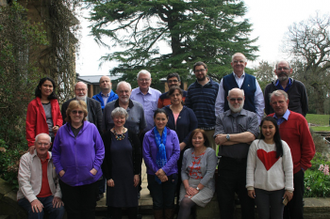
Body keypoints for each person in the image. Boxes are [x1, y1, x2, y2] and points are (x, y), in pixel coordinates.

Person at [52, 100, 105, 219]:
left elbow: (100, 150)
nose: (77, 114)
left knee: (89, 211)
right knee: (73, 212)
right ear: (69, 113)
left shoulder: (92, 128)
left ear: (84, 114)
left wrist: (95, 169)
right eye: (74, 111)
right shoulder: (61, 131)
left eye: (80, 112)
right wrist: (60, 170)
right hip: (68, 179)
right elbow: (55, 152)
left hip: (89, 178)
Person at [268, 90, 315, 219]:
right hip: (275, 173)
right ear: (271, 104)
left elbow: (308, 147)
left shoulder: (299, 119)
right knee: (279, 209)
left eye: (281, 102)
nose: (278, 105)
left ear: (287, 102)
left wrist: (301, 168)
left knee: (295, 208)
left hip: (295, 171)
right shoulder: (269, 121)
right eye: (274, 102)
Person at [213, 88, 259, 219]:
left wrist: (227, 137)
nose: (236, 101)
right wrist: (242, 139)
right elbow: (218, 140)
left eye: (239, 99)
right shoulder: (221, 117)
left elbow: (251, 136)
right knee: (225, 203)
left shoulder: (252, 116)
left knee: (248, 203)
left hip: (246, 166)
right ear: (228, 99)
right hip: (226, 165)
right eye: (233, 99)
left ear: (244, 99)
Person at [246, 117, 294, 219]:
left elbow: (288, 169)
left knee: (277, 216)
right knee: (263, 216)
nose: (267, 130)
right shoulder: (256, 145)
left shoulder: (283, 145)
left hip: (278, 190)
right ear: (261, 129)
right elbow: (250, 167)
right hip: (260, 190)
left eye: (270, 127)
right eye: (264, 127)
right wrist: (250, 186)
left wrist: (289, 189)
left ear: (275, 129)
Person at [102, 107, 142, 219]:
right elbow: (104, 158)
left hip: (130, 176)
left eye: (122, 117)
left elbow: (138, 156)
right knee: (115, 208)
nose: (119, 120)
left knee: (132, 208)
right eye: (116, 118)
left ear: (125, 118)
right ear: (112, 119)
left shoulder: (133, 135)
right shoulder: (106, 137)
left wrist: (137, 173)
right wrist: (108, 177)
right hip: (114, 178)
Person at [142, 109, 180, 219]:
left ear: (167, 120)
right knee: (157, 202)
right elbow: (146, 155)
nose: (160, 121)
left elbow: (176, 153)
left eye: (163, 119)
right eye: (158, 119)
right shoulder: (148, 135)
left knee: (169, 202)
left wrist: (164, 170)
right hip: (154, 174)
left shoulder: (172, 134)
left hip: (170, 173)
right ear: (154, 119)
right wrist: (158, 171)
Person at [163, 86, 198, 204]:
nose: (175, 97)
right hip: (168, 150)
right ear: (169, 97)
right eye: (173, 95)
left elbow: (193, 130)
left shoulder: (189, 112)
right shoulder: (164, 111)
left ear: (182, 96)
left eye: (178, 94)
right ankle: (169, 205)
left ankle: (182, 204)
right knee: (170, 176)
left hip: (185, 149)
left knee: (183, 175)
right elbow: (160, 128)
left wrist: (184, 143)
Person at [17, 133, 65, 219]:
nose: (42, 146)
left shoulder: (54, 158)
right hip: (28, 197)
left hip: (49, 196)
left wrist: (58, 196)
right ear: (35, 144)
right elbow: (23, 181)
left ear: (50, 145)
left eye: (45, 144)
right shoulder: (26, 158)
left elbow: (60, 179)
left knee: (59, 209)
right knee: (36, 210)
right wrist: (33, 200)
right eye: (39, 143)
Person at [177, 129, 217, 219]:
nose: (197, 140)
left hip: (204, 185)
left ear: (204, 139)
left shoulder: (210, 152)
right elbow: (183, 171)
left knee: (186, 202)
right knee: (184, 202)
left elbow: (210, 173)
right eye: (194, 138)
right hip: (188, 184)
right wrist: (188, 188)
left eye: (200, 138)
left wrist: (197, 189)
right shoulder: (187, 152)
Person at [215, 52, 264, 124]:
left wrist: (257, 122)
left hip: (249, 122)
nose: (238, 63)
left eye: (241, 61)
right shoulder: (225, 80)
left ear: (245, 64)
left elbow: (259, 103)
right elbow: (219, 103)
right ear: (232, 64)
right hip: (229, 123)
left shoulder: (253, 80)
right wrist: (221, 122)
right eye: (235, 61)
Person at [185, 61, 219, 150]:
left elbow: (220, 106)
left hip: (211, 127)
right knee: (196, 153)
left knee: (211, 153)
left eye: (201, 70)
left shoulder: (216, 87)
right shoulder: (191, 88)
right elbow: (188, 108)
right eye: (197, 71)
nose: (199, 73)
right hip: (196, 128)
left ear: (206, 70)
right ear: (194, 73)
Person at [26, 77, 63, 152]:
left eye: (50, 86)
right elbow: (30, 125)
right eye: (45, 85)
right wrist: (31, 143)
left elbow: (59, 117)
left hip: (55, 138)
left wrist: (58, 125)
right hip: (41, 140)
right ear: (40, 87)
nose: (48, 88)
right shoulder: (33, 104)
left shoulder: (55, 102)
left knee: (54, 161)